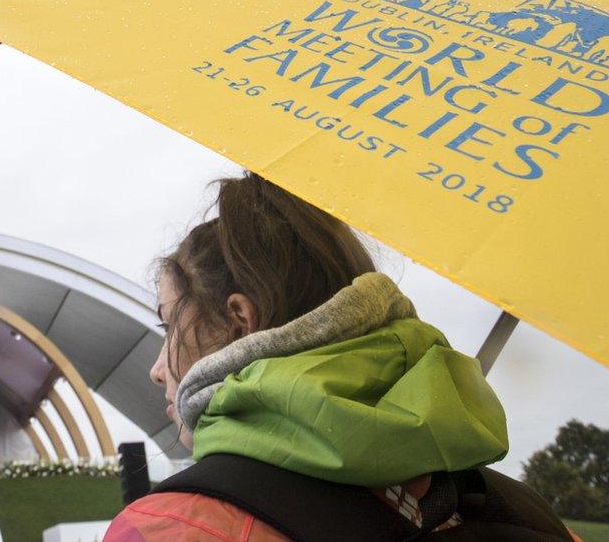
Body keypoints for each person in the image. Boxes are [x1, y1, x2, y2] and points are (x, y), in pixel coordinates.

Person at [105, 172, 576, 541]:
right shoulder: (533, 515)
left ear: (239, 322)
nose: (156, 369)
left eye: (170, 325)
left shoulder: (173, 528)